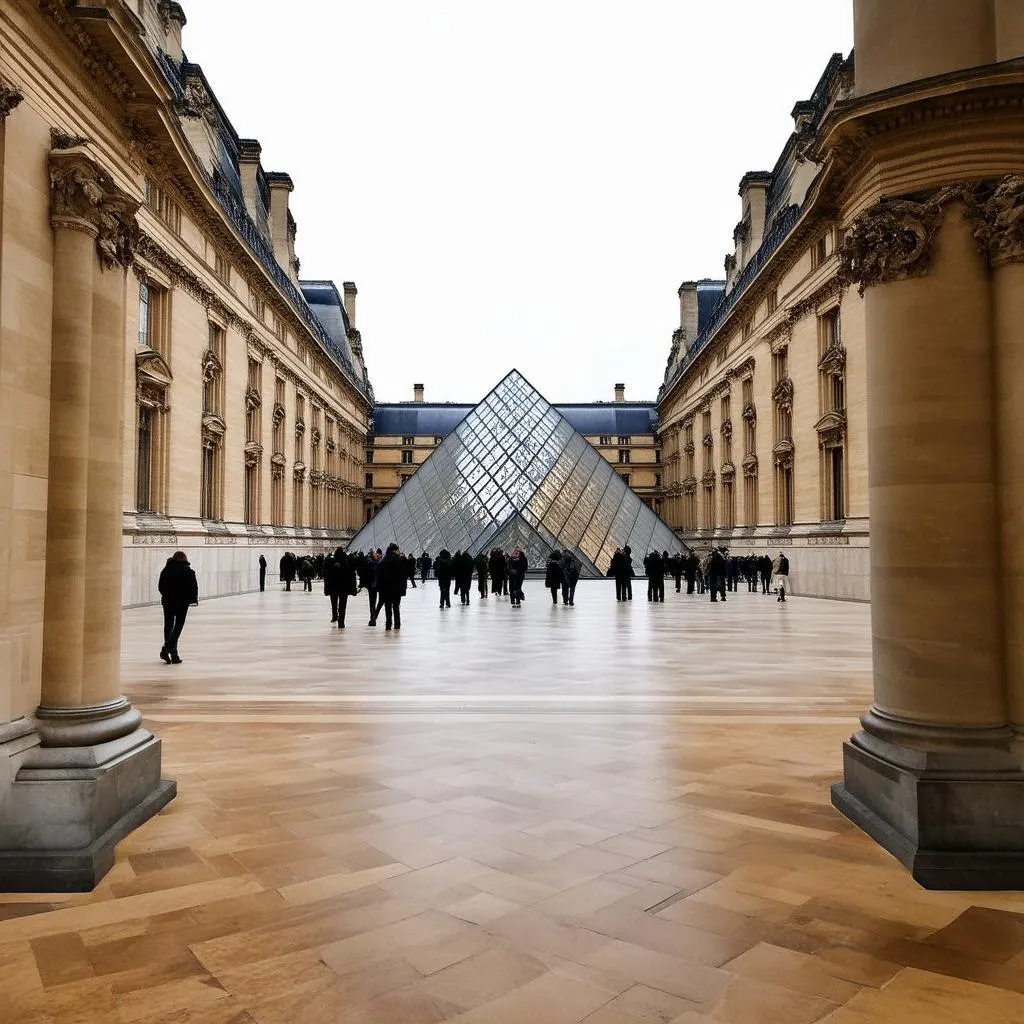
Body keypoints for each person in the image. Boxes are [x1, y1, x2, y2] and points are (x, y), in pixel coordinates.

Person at [158, 550, 198, 664]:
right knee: (178, 626)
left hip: (168, 601)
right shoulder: (189, 571)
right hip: (182, 603)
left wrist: (166, 595)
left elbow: (161, 586)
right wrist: (193, 600)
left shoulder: (166, 570)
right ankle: (168, 650)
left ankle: (172, 653)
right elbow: (193, 588)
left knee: (168, 625)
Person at [373, 543, 407, 630]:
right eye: (397, 550)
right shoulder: (400, 561)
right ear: (394, 551)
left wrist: (379, 588)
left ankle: (388, 625)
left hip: (386, 589)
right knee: (396, 607)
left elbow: (379, 576)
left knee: (388, 608)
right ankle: (397, 625)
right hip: (397, 589)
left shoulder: (383, 561)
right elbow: (405, 575)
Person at [361, 549, 381, 625]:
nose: (377, 555)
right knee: (375, 602)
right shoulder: (375, 563)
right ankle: (373, 618)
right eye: (376, 554)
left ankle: (373, 618)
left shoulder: (369, 562)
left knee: (373, 602)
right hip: (374, 585)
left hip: (371, 586)